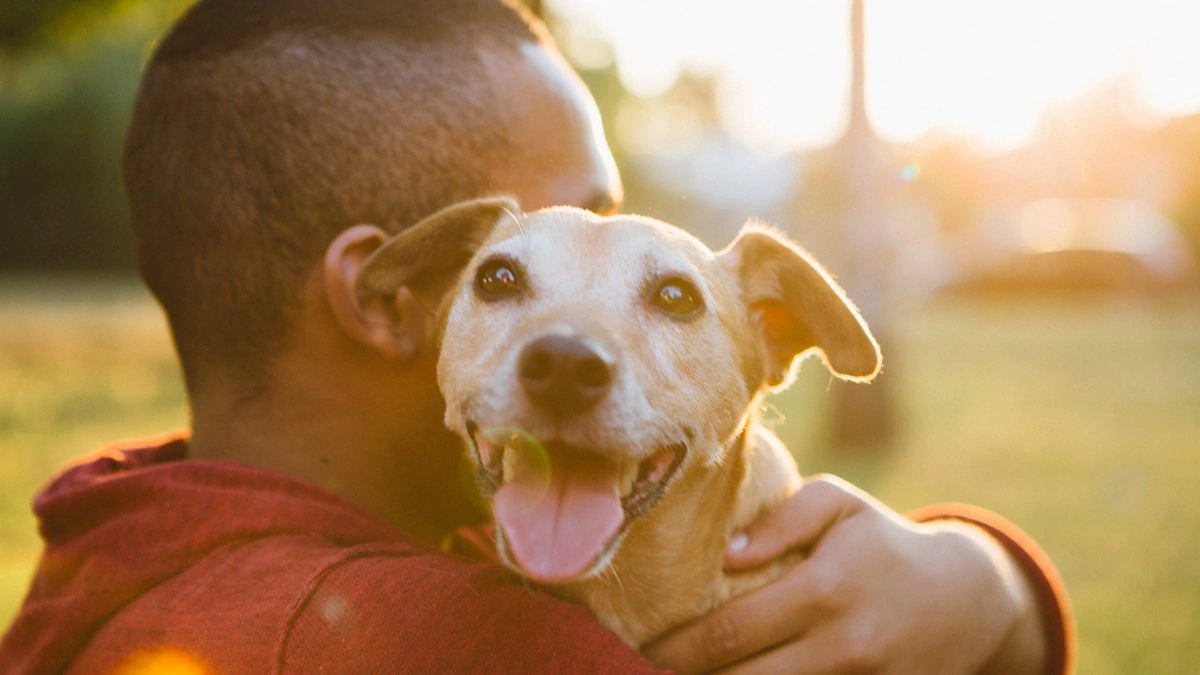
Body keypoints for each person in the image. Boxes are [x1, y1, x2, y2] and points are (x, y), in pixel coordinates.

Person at [0, 0, 1073, 672]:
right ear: (394, 296)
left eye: (660, 292)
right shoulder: (476, 643)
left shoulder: (123, 544)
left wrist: (984, 583)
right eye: (515, 271)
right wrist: (995, 602)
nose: (576, 343)